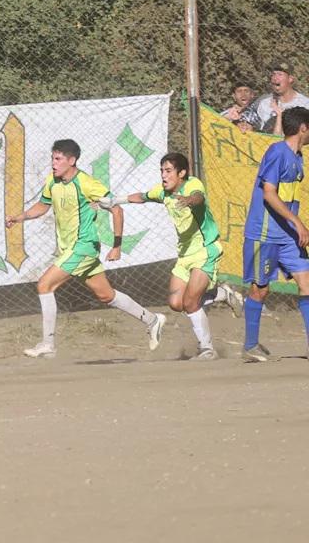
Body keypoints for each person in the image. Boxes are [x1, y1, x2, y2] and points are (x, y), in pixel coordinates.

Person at [5, 139, 166, 359]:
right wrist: (19, 217)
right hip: (70, 248)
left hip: (83, 247)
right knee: (106, 295)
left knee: (44, 285)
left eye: (58, 159)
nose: (53, 163)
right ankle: (152, 320)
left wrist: (117, 245)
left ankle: (47, 343)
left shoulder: (87, 183)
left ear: (72, 160)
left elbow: (117, 210)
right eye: (53, 158)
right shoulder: (53, 180)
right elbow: (43, 205)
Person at [99, 152, 243, 360]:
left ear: (182, 173)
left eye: (168, 171)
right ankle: (223, 294)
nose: (164, 176)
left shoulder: (193, 185)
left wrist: (189, 200)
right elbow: (142, 197)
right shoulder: (164, 193)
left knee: (191, 303)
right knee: (177, 304)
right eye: (162, 171)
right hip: (184, 256)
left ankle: (207, 349)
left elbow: (198, 197)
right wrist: (115, 200)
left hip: (205, 250)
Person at [239, 106, 309, 362]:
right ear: (303, 128)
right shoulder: (277, 152)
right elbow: (269, 193)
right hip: (265, 234)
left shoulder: (297, 156)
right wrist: (299, 223)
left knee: (307, 283)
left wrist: (294, 226)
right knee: (261, 290)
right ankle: (250, 345)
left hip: (288, 236)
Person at [238, 60, 309, 134]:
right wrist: (245, 125)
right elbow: (247, 120)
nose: (275, 78)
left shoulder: (305, 104)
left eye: (280, 74)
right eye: (273, 74)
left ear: (290, 79)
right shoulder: (263, 102)